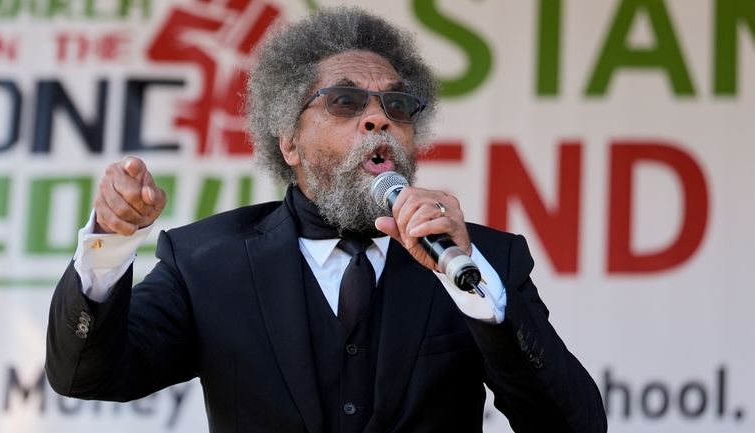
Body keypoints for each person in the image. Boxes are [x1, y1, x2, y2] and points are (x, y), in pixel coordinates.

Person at [45, 7, 606, 433]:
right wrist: (110, 244)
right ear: (288, 141)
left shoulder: (484, 259)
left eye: (396, 106)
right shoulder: (206, 262)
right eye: (344, 102)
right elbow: (86, 375)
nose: (376, 120)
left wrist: (477, 290)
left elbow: (575, 424)